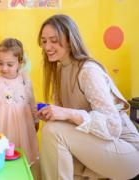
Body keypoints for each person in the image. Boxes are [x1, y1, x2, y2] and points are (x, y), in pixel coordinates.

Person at [36, 14, 139, 180]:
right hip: (99, 149)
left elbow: (113, 126)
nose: (47, 46)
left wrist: (68, 114)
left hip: (126, 153)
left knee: (52, 131)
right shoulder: (60, 71)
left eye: (54, 40)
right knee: (50, 139)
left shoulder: (88, 71)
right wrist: (51, 114)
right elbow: (69, 127)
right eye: (44, 40)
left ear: (69, 40)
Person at [0, 38, 39, 171]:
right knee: (4, 157)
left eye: (9, 64)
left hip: (24, 125)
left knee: (23, 157)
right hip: (3, 126)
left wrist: (36, 119)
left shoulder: (25, 80)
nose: (4, 68)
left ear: (19, 63)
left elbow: (32, 101)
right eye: (0, 63)